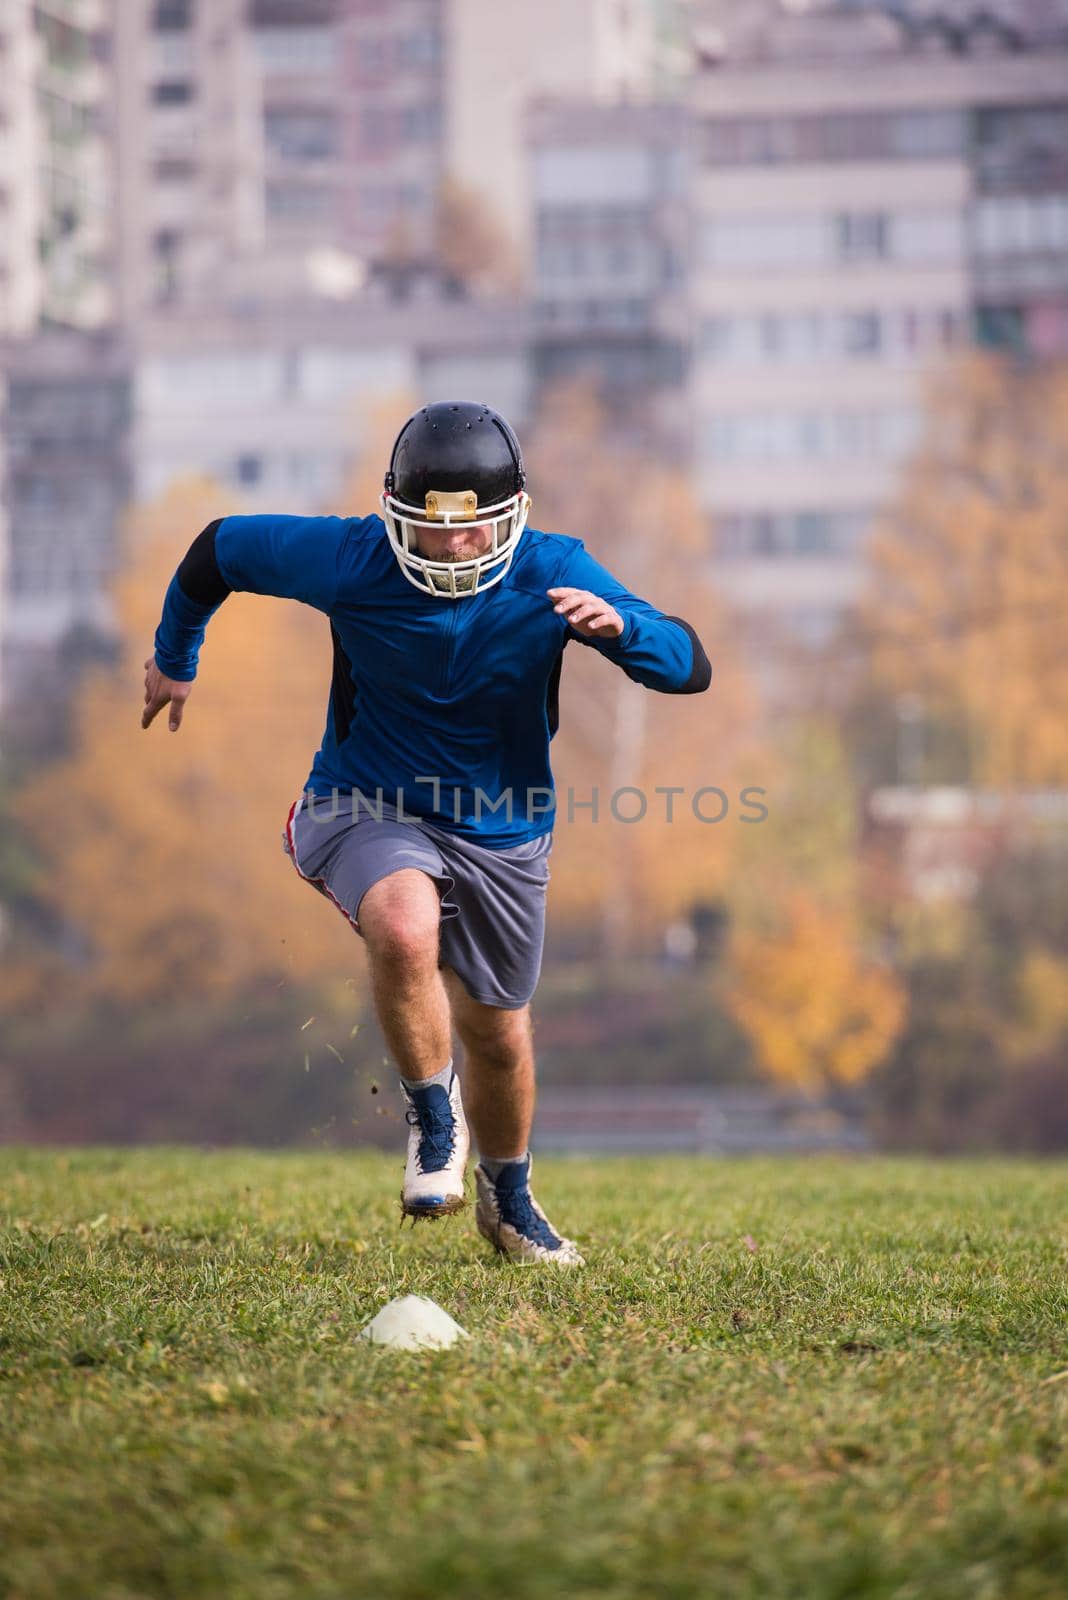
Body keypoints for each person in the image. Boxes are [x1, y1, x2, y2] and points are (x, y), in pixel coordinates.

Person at [143, 400, 711, 1267]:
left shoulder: (553, 567)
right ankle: (432, 1120)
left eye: (474, 530)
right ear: (392, 510)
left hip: (504, 830)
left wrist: (623, 630)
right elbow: (216, 548)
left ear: (511, 513)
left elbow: (689, 665)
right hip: (364, 802)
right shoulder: (348, 557)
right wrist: (175, 656)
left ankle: (510, 1203)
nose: (452, 547)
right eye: (430, 527)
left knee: (498, 1032)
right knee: (406, 928)